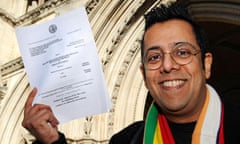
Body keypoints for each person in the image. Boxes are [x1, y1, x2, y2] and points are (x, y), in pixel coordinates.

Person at [22, 2, 240, 144]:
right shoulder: (127, 140)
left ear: (206, 64)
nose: (167, 65)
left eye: (182, 52)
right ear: (144, 75)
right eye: (154, 57)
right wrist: (50, 140)